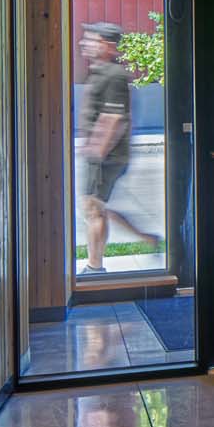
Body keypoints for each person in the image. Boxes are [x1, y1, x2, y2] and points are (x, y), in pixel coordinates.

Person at [77, 22, 152, 275]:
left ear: (107, 45)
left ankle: (95, 267)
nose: (83, 43)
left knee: (93, 209)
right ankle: (146, 238)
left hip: (106, 156)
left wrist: (96, 153)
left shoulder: (114, 75)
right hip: (100, 155)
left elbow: (113, 118)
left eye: (90, 39)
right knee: (97, 208)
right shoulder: (100, 72)